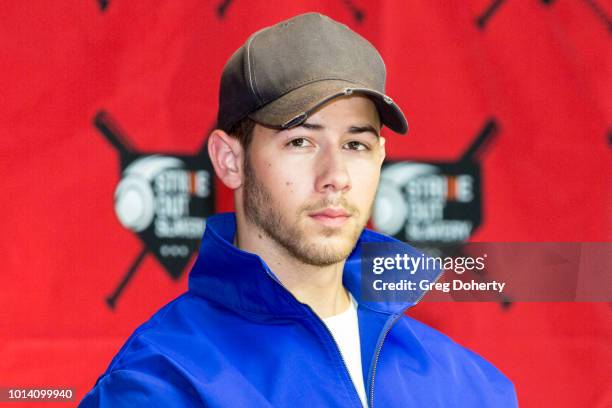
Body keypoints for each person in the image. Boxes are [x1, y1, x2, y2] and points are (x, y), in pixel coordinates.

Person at [80, 12, 517, 407]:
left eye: (355, 144)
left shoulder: (472, 386)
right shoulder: (164, 383)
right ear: (230, 161)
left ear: (381, 159)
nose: (335, 174)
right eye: (300, 142)